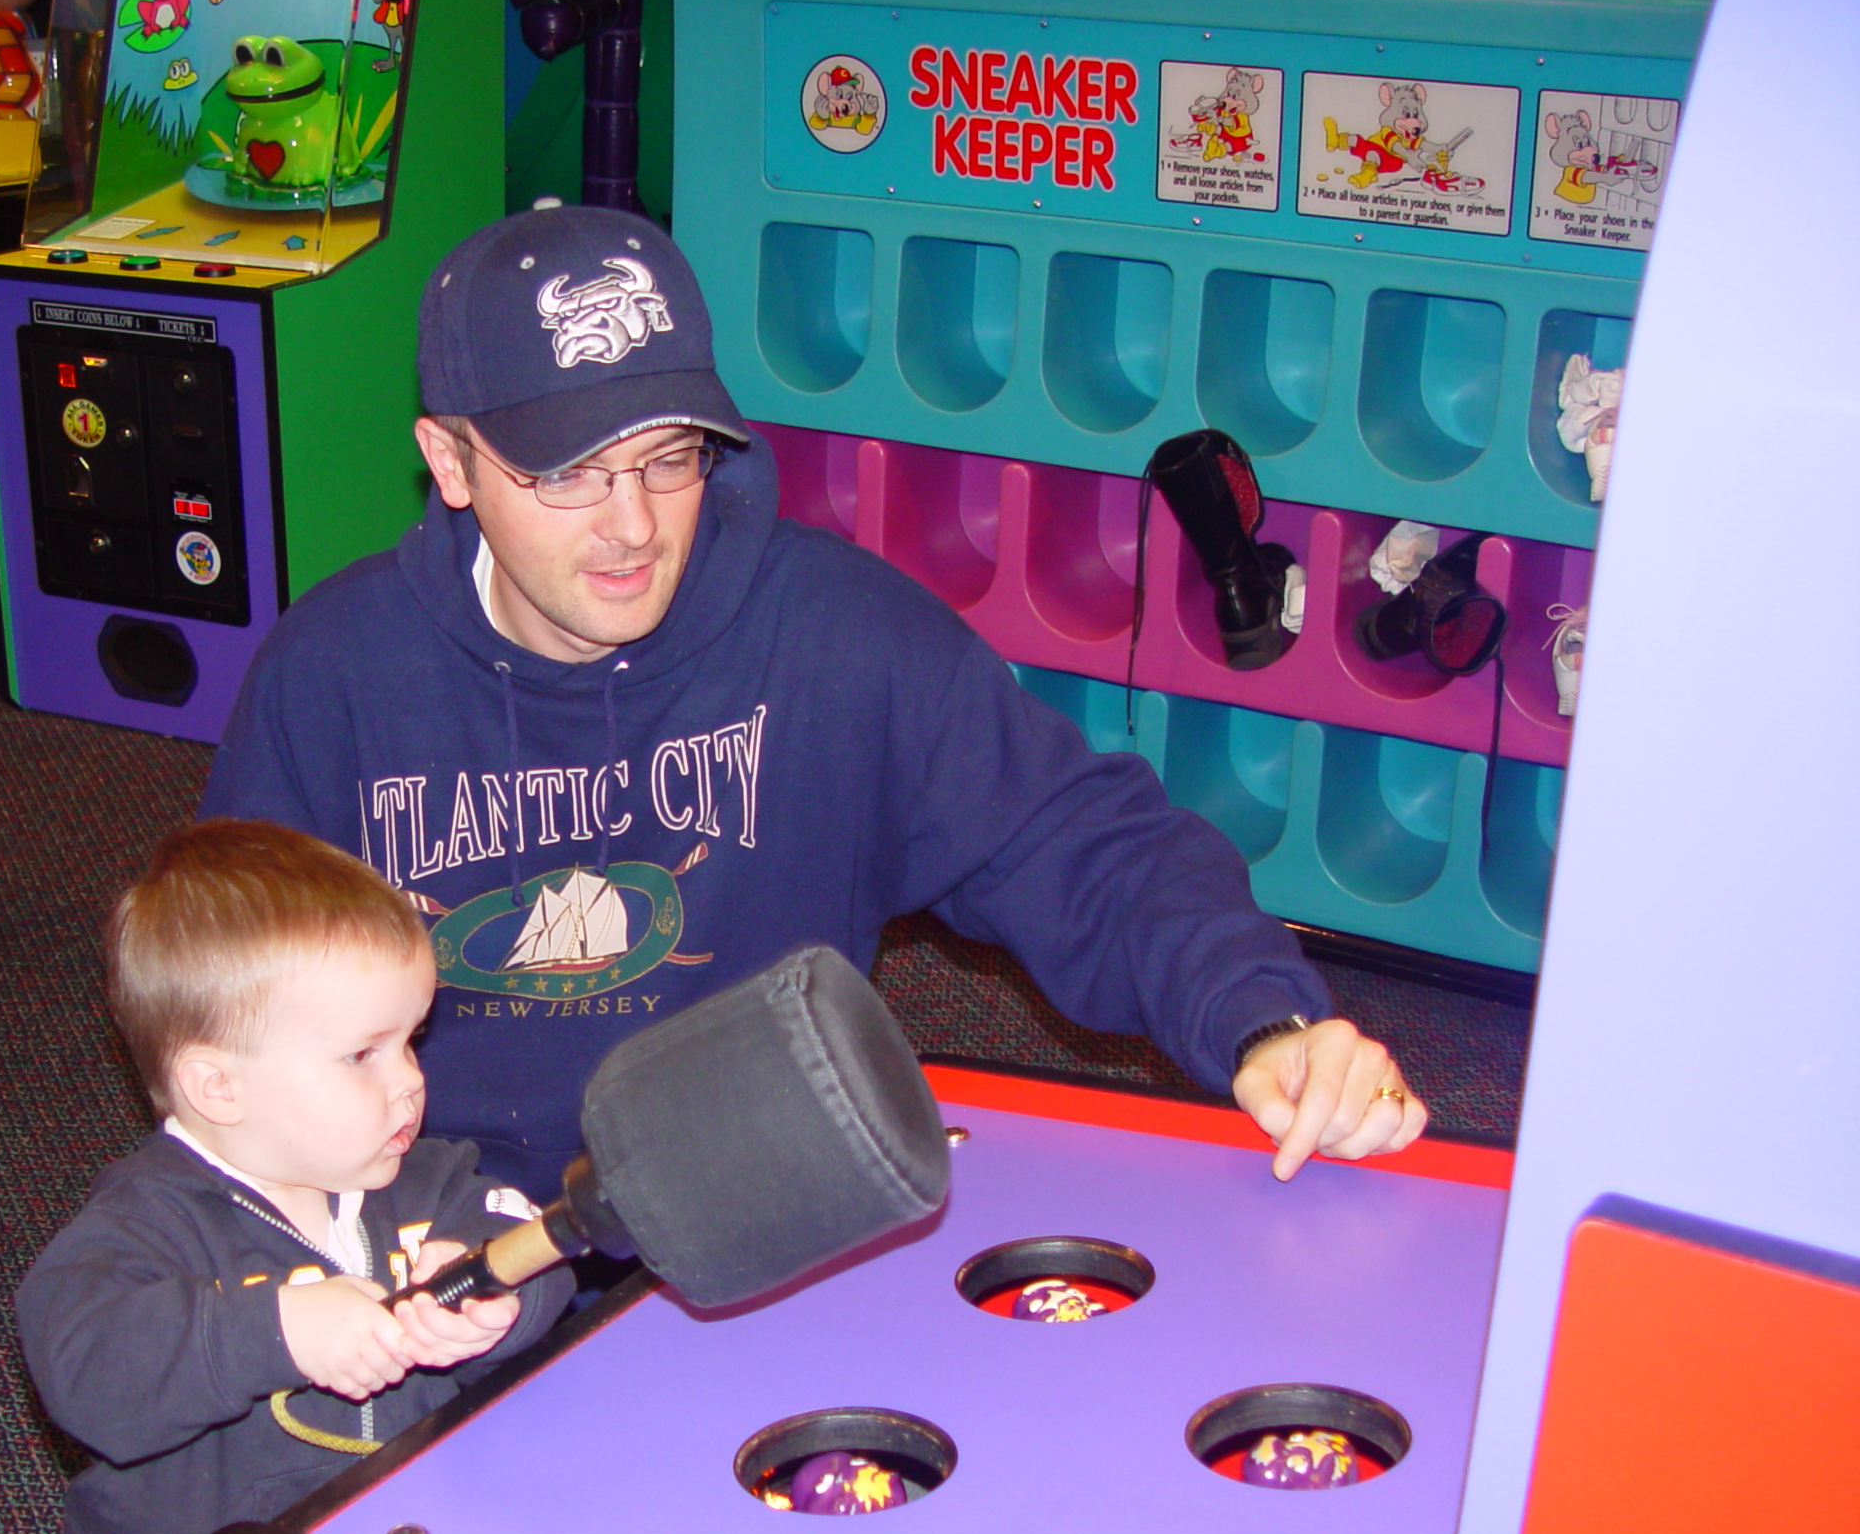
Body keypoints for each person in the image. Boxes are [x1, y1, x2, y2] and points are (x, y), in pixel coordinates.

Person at [201, 203, 1428, 1197]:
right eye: (569, 474)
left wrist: (1268, 1024)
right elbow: (226, 1015)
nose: (632, 527)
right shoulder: (331, 680)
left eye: (668, 457)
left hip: (760, 1206)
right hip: (433, 1235)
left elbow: (1083, 845)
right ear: (449, 462)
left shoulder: (841, 637)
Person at [17, 819, 573, 1534]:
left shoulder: (421, 1182)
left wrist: (495, 1293)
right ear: (218, 1087)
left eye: (411, 1038)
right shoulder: (144, 1229)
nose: (408, 1081)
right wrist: (279, 1324)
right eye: (362, 1055)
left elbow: (527, 1243)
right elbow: (84, 1368)